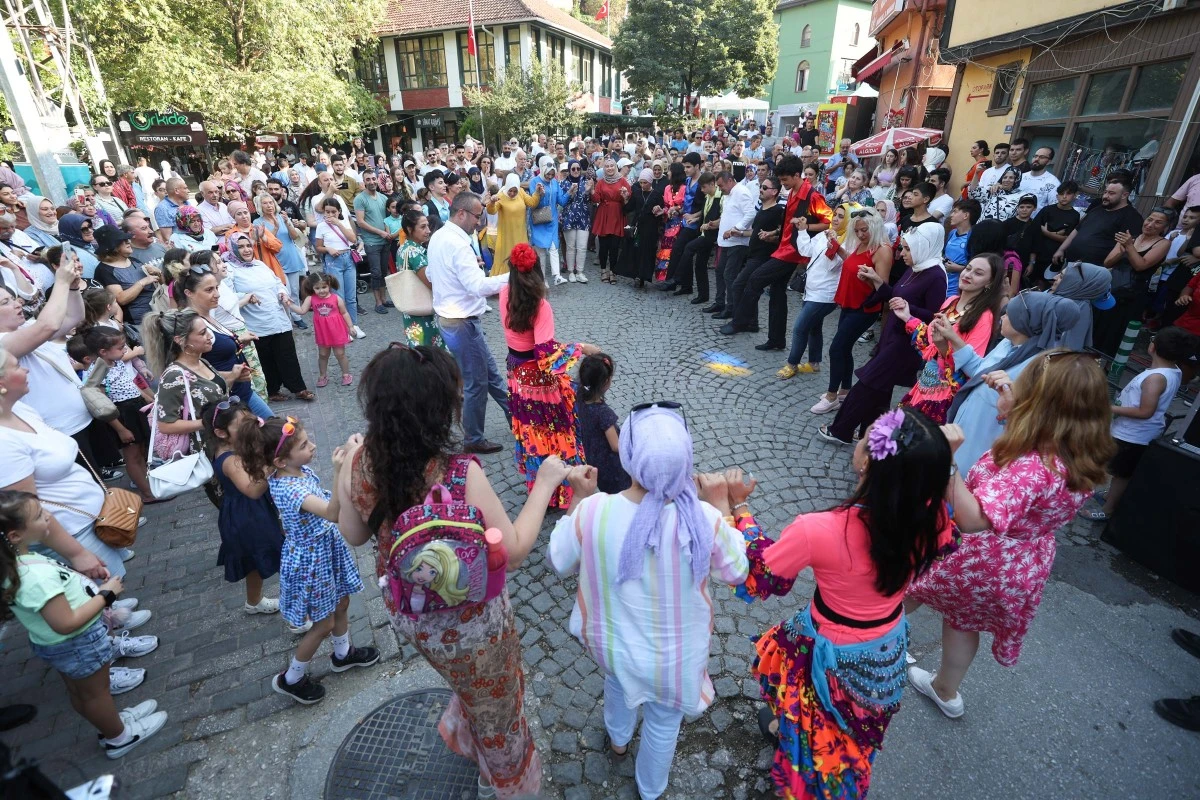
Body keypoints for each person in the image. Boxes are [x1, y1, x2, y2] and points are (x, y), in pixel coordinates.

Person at [337, 346, 568, 800]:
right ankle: (505, 782)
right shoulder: (460, 474)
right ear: (439, 411)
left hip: (412, 612)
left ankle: (475, 738)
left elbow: (354, 533)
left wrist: (342, 468)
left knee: (471, 688)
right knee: (501, 709)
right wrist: (544, 484)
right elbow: (515, 550)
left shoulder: (361, 460)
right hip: (472, 626)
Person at [742, 407, 957, 800]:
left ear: (866, 464)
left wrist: (737, 512)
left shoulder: (819, 529)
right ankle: (788, 736)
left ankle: (799, 762)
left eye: (865, 436)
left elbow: (761, 576)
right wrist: (942, 462)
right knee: (853, 727)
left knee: (816, 723)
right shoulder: (934, 519)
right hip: (886, 643)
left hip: (829, 649)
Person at [548, 407, 749, 800]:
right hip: (676, 661)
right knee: (662, 724)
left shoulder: (594, 511)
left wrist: (577, 497)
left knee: (618, 686)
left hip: (615, 647)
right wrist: (726, 507)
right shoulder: (704, 519)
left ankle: (618, 741)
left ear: (628, 457)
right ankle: (650, 790)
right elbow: (737, 570)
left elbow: (558, 558)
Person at [906, 352, 1114, 718]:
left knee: (904, 589)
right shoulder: (1077, 455)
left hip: (977, 556)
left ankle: (862, 639)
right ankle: (946, 691)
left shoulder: (1033, 466)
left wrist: (949, 460)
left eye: (1022, 388)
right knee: (962, 620)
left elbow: (973, 518)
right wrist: (1008, 394)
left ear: (1038, 404)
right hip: (1021, 562)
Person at [0, 491, 169, 758]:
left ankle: (110, 723)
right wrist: (106, 595)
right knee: (96, 694)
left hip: (63, 646)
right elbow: (66, 623)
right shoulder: (34, 576)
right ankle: (119, 737)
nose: (49, 517)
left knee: (83, 694)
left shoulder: (20, 563)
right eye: (40, 515)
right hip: (77, 642)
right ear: (15, 536)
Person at [235, 415, 377, 704]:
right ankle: (292, 678)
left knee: (342, 602)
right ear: (279, 462)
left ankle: (343, 654)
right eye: (303, 445)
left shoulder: (297, 472)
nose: (312, 446)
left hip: (325, 549)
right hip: (311, 561)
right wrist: (340, 471)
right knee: (322, 624)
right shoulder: (290, 488)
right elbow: (332, 513)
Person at [818, 222, 947, 443]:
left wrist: (908, 308)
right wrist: (877, 281)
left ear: (923, 248)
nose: (902, 253)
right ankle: (869, 432)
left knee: (868, 383)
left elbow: (934, 315)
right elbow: (895, 295)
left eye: (907, 249)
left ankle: (841, 429)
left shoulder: (936, 275)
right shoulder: (916, 267)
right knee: (880, 388)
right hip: (891, 336)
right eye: (903, 248)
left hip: (905, 344)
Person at [499, 243, 597, 508]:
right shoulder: (540, 305)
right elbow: (545, 356)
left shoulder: (505, 292)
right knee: (558, 431)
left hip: (517, 374)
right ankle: (563, 492)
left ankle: (538, 488)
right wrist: (581, 348)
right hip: (538, 379)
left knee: (531, 432)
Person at [199, 397, 300, 626]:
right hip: (248, 517)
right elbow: (252, 490)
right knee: (286, 560)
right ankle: (296, 614)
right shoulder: (229, 460)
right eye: (243, 424)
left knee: (254, 563)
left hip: (250, 513)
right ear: (222, 433)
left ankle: (253, 603)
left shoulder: (236, 446)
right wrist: (273, 463)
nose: (253, 424)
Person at [720, 155, 833, 350]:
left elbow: (828, 222)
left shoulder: (812, 196)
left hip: (794, 252)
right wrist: (775, 233)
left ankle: (740, 321)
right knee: (778, 293)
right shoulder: (792, 192)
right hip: (784, 247)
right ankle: (776, 340)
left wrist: (806, 226)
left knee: (755, 279)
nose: (782, 184)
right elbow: (788, 224)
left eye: (784, 180)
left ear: (797, 175)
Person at [1081, 326, 1192, 522]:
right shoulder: (1173, 370)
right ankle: (1108, 496)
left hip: (1133, 434)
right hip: (1135, 432)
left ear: (1152, 347)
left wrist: (1108, 408)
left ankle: (1109, 509)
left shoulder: (1155, 379)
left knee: (1121, 473)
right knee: (1118, 470)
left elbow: (1145, 411)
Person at [428, 192, 510, 455]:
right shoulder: (458, 243)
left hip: (454, 319)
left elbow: (433, 273)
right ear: (461, 213)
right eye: (477, 215)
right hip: (461, 322)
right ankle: (473, 438)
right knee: (477, 384)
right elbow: (477, 286)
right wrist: (513, 277)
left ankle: (517, 418)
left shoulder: (439, 236)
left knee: (493, 376)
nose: (479, 221)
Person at [897, 254, 1004, 423]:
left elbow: (970, 369)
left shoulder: (984, 317)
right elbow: (930, 342)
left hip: (945, 397)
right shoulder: (951, 301)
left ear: (990, 283)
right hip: (924, 384)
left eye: (978, 273)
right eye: (968, 268)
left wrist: (944, 346)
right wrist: (908, 317)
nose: (968, 275)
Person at [811, 209, 895, 413]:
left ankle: (831, 396)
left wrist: (871, 277)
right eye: (857, 230)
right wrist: (837, 247)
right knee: (844, 348)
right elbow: (852, 261)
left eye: (864, 230)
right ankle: (844, 391)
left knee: (836, 349)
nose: (860, 234)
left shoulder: (882, 249)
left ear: (874, 227)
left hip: (864, 308)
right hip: (849, 304)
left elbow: (883, 287)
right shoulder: (863, 243)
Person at [222, 232, 313, 402]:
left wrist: (282, 293)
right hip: (256, 322)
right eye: (241, 247)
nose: (247, 250)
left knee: (288, 355)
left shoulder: (260, 264)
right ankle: (272, 390)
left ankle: (299, 388)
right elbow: (228, 295)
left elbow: (278, 282)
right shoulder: (229, 269)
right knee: (267, 359)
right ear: (233, 249)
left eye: (249, 245)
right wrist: (247, 295)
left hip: (278, 317)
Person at [80, 327, 156, 503]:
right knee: (133, 455)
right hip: (121, 414)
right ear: (103, 352)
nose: (125, 351)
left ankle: (147, 484)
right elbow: (102, 403)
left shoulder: (116, 361)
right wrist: (120, 429)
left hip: (134, 407)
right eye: (121, 347)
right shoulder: (97, 371)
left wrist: (146, 399)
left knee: (142, 450)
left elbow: (129, 384)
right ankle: (147, 494)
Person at [776, 207, 848, 379]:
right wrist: (802, 230)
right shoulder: (826, 234)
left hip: (825, 295)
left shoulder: (847, 242)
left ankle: (792, 364)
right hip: (812, 290)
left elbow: (832, 266)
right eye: (835, 215)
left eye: (841, 217)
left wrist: (834, 245)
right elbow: (805, 251)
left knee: (800, 328)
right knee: (814, 327)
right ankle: (814, 363)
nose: (836, 219)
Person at [1093, 208, 1172, 355]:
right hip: (1112, 289)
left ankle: (1106, 366)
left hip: (1132, 295)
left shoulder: (1163, 243)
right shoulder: (1131, 238)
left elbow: (1140, 265)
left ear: (1165, 227)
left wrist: (1129, 247)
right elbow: (1107, 263)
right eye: (1149, 219)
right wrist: (1122, 250)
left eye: (1158, 222)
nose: (1150, 224)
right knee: (1098, 326)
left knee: (1115, 333)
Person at [575, 353, 630, 493]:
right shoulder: (604, 413)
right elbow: (616, 446)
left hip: (592, 456)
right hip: (612, 467)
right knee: (618, 493)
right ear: (606, 381)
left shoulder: (579, 395)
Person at [313, 198, 365, 339]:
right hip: (333, 261)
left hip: (348, 258)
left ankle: (354, 325)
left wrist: (339, 224)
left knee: (351, 296)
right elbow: (318, 247)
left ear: (339, 211)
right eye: (327, 212)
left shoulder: (344, 222)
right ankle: (343, 328)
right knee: (338, 296)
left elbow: (353, 239)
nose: (330, 215)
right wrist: (328, 248)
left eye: (333, 212)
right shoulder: (321, 226)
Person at [255, 193, 306, 328]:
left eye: (271, 202)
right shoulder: (258, 222)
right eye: (265, 203)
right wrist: (276, 228)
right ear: (260, 206)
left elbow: (294, 236)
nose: (269, 205)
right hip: (275, 261)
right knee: (284, 291)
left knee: (294, 290)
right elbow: (268, 242)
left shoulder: (282, 216)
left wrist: (287, 223)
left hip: (291, 257)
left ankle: (297, 316)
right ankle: (286, 318)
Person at [395, 210, 443, 349]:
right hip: (423, 308)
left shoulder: (404, 248)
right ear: (410, 229)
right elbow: (430, 282)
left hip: (412, 307)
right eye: (422, 227)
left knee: (417, 345)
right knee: (428, 349)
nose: (428, 230)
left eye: (428, 226)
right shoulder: (414, 252)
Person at [295, 272, 353, 388]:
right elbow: (302, 311)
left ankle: (346, 374)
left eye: (324, 287)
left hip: (337, 330)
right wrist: (289, 304)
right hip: (323, 332)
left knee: (340, 354)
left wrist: (350, 326)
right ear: (312, 288)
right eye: (317, 288)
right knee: (322, 354)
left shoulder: (336, 298)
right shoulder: (311, 299)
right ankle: (322, 375)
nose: (321, 291)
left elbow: (344, 312)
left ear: (329, 285)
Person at [94, 226, 160, 326]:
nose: (128, 242)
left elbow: (161, 284)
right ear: (113, 246)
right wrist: (143, 282)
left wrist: (158, 273)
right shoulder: (104, 270)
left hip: (159, 313)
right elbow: (121, 299)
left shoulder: (135, 261)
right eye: (123, 240)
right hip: (139, 323)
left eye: (127, 239)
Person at [675, 172, 722, 302]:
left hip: (712, 235)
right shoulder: (708, 196)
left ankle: (677, 277)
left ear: (712, 184)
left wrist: (711, 224)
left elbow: (724, 215)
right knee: (700, 265)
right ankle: (703, 295)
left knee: (689, 248)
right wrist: (694, 218)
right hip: (704, 232)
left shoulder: (721, 196)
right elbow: (704, 212)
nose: (701, 190)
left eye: (703, 187)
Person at [353, 170, 394, 315]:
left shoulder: (383, 198)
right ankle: (377, 302)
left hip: (384, 240)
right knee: (376, 272)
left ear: (377, 180)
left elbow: (387, 219)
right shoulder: (360, 199)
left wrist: (388, 232)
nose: (371, 181)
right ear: (364, 182)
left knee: (383, 271)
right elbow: (360, 222)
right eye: (368, 179)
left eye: (373, 178)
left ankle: (383, 299)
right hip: (371, 241)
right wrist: (380, 232)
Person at [1048, 260, 1113, 350]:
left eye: (1062, 276)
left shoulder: (1078, 309)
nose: (1055, 277)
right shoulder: (1057, 296)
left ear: (1075, 283)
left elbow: (1068, 351)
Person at [488, 174, 543, 279]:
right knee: (507, 257)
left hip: (520, 234)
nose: (512, 193)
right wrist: (491, 202)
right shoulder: (501, 195)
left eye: (515, 191)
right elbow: (492, 211)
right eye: (510, 190)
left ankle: (523, 282)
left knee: (522, 258)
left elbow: (532, 202)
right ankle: (505, 284)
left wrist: (537, 192)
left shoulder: (521, 192)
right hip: (506, 237)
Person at [1029, 181, 1080, 287]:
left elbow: (1068, 239)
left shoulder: (1075, 215)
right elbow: (1034, 230)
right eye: (1061, 194)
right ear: (1057, 195)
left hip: (1055, 258)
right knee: (1031, 284)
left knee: (1049, 285)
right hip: (1038, 255)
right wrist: (1057, 234)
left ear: (1075, 196)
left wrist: (1047, 232)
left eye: (1068, 194)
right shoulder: (1047, 210)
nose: (1064, 197)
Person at [528, 160, 569, 286]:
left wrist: (569, 193)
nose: (550, 177)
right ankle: (542, 279)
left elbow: (561, 201)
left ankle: (557, 276)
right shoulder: (534, 182)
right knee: (540, 251)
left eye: (552, 174)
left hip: (551, 219)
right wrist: (539, 194)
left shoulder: (555, 182)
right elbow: (533, 203)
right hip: (538, 220)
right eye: (548, 174)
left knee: (553, 247)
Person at [591, 158, 631, 285]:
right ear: (604, 168)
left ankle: (613, 271)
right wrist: (591, 191)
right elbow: (596, 199)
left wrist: (625, 196)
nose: (609, 168)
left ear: (616, 167)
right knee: (604, 246)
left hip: (617, 214)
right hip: (604, 215)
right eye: (607, 166)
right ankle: (604, 270)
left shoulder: (622, 180)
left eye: (611, 166)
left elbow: (628, 197)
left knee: (614, 246)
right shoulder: (601, 182)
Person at [625, 168, 664, 289]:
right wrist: (625, 198)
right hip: (638, 226)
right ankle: (636, 275)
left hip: (651, 228)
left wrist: (658, 210)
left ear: (650, 181)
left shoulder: (656, 194)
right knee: (636, 250)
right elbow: (628, 208)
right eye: (640, 182)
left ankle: (644, 276)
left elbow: (661, 212)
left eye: (645, 182)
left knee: (647, 252)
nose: (642, 185)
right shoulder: (637, 193)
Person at [560, 160, 593, 283]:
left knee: (582, 246)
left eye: (578, 169)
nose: (576, 171)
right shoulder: (563, 183)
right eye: (573, 169)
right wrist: (570, 193)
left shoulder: (585, 182)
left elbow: (589, 199)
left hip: (583, 217)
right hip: (569, 217)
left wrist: (589, 191)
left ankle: (580, 271)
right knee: (570, 246)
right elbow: (561, 201)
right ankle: (570, 272)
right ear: (569, 170)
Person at [654, 163, 687, 283]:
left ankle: (675, 277)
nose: (667, 173)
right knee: (665, 247)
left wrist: (677, 209)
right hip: (668, 223)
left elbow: (685, 206)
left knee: (676, 249)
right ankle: (664, 276)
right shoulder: (667, 188)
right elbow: (666, 206)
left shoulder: (684, 188)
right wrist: (661, 210)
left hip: (680, 223)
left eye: (669, 170)